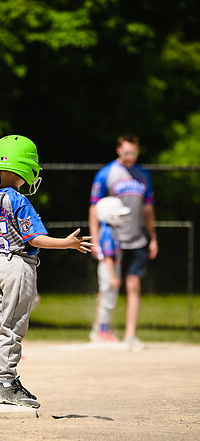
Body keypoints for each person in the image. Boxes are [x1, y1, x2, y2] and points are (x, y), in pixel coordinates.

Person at [0, 134, 92, 408]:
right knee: (13, 326)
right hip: (18, 265)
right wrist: (66, 243)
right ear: (26, 168)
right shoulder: (19, 201)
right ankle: (8, 385)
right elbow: (33, 238)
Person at [88, 134, 158, 350]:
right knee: (108, 285)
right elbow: (94, 207)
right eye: (126, 152)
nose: (130, 157)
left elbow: (148, 209)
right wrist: (95, 238)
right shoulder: (106, 173)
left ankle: (130, 335)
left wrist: (153, 236)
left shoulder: (143, 175)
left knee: (134, 285)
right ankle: (99, 327)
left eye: (134, 153)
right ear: (118, 150)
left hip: (136, 240)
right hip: (113, 241)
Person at [93, 197, 131, 342]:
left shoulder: (111, 230)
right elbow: (108, 257)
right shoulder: (107, 232)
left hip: (113, 265)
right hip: (109, 267)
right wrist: (113, 277)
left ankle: (105, 328)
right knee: (107, 298)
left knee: (110, 299)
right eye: (119, 215)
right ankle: (102, 330)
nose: (122, 218)